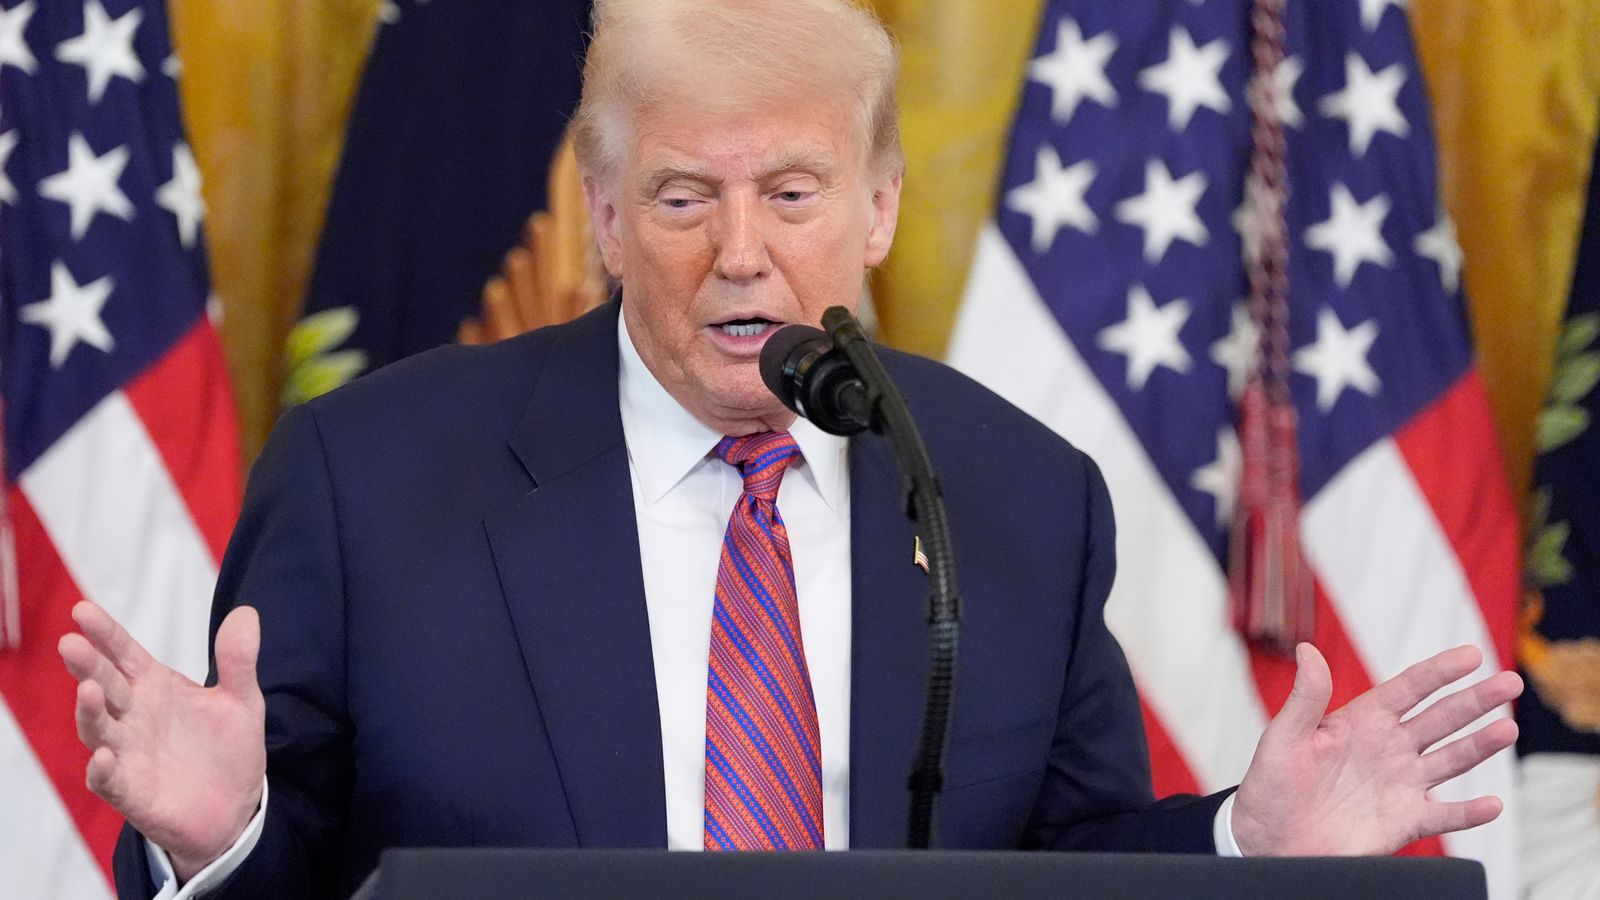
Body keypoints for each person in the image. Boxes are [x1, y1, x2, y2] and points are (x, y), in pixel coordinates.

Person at [59, 1, 1523, 897]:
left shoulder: (1017, 494)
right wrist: (218, 836)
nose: (743, 257)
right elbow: (296, 868)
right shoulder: (370, 478)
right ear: (608, 215)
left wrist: (1241, 853)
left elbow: (1061, 875)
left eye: (798, 192)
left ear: (880, 207)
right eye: (687, 197)